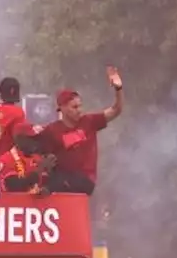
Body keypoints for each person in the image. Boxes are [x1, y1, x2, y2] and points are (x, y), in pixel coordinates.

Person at [37, 66, 124, 195]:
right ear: (63, 108)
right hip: (62, 182)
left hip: (85, 180)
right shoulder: (52, 130)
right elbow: (41, 158)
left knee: (59, 181)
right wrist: (44, 165)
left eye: (80, 106)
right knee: (50, 180)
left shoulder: (89, 121)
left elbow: (116, 110)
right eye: (74, 107)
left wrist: (118, 89)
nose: (79, 110)